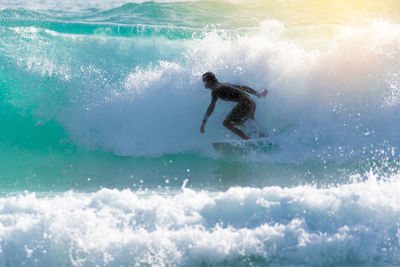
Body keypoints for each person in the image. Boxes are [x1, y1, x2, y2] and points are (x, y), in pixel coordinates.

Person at [200, 72, 268, 140]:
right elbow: (243, 87)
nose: (204, 84)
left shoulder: (215, 90)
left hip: (245, 103)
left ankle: (247, 139)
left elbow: (211, 107)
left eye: (204, 81)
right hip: (252, 102)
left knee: (227, 123)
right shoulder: (224, 84)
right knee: (247, 124)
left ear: (210, 81)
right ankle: (263, 137)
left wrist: (204, 122)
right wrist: (258, 94)